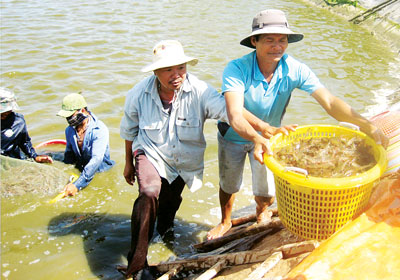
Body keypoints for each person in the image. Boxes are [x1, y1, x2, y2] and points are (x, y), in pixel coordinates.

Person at [207, 9, 389, 240]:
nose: (277, 46)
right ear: (254, 41)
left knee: (265, 186)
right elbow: (234, 113)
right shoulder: (236, 68)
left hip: (271, 137)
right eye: (269, 40)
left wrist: (365, 124)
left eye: (282, 40)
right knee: (229, 182)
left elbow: (330, 101)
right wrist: (258, 135)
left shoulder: (294, 69)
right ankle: (225, 221)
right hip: (234, 135)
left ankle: (261, 211)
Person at [119, 40, 282, 279]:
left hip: (182, 161)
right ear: (156, 72)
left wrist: (262, 130)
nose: (176, 75)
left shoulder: (200, 91)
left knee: (170, 205)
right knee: (149, 192)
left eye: (181, 68)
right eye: (168, 69)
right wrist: (127, 163)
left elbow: (232, 112)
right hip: (150, 151)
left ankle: (164, 230)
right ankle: (138, 264)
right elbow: (129, 130)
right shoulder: (138, 94)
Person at [57, 93, 115, 196]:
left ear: (82, 110)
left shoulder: (99, 130)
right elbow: (69, 154)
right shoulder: (69, 130)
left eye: (71, 116)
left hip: (100, 171)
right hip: (81, 168)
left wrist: (77, 184)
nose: (68, 120)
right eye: (66, 117)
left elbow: (96, 159)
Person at [1, 87, 53, 163]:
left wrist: (35, 156)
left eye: (7, 112)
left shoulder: (18, 122)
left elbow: (24, 142)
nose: (5, 114)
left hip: (11, 159)